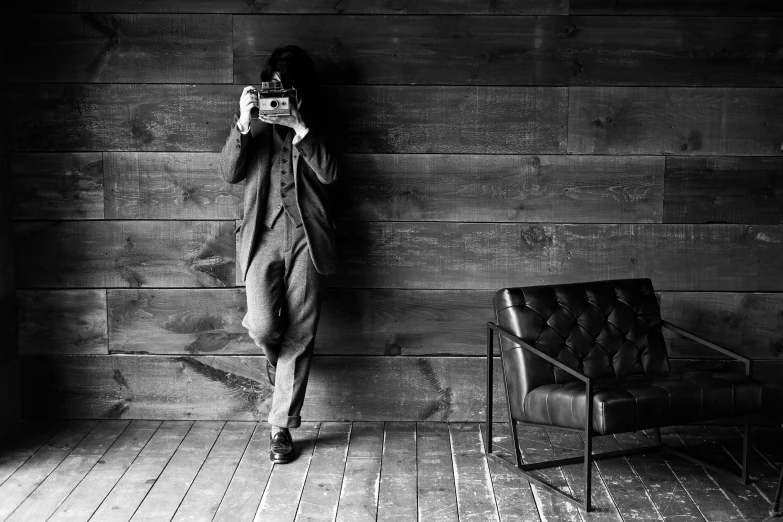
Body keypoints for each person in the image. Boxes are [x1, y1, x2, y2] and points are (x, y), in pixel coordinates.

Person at [218, 45, 339, 464]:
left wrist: (302, 128)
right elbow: (229, 173)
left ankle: (280, 427)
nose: (278, 98)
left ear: (299, 93)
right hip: (261, 235)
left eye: (286, 91)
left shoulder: (317, 123)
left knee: (300, 334)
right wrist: (243, 122)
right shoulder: (253, 126)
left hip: (308, 237)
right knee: (265, 327)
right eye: (274, 89)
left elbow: (330, 173)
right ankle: (277, 362)